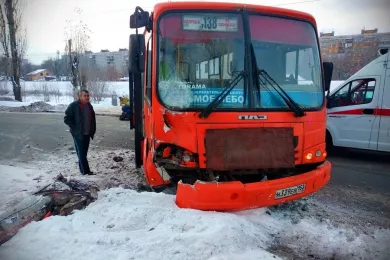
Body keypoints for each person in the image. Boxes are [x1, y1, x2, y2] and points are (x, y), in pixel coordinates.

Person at [64, 89, 96, 175]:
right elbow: (67, 119)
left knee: (83, 153)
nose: (87, 97)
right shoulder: (73, 106)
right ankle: (86, 171)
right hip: (78, 134)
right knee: (81, 153)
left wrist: (92, 130)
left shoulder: (89, 106)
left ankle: (82, 170)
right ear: (80, 96)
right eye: (84, 95)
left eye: (87, 95)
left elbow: (92, 119)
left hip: (87, 133)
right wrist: (75, 129)